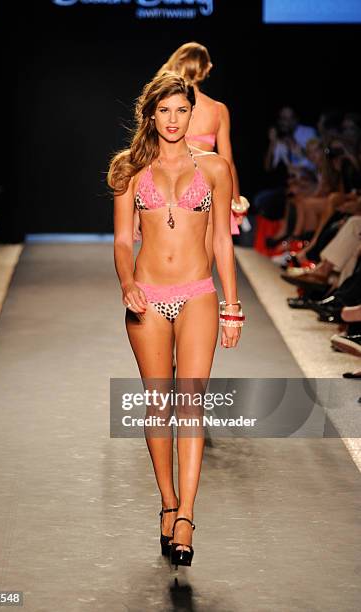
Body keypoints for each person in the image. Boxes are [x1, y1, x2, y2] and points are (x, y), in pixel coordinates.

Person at [108, 72, 243, 568]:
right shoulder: (128, 168)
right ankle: (167, 501)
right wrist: (127, 283)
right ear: (150, 114)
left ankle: (186, 515)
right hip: (146, 296)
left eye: (181, 110)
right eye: (163, 110)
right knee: (157, 405)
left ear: (192, 114)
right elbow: (124, 240)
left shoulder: (215, 169)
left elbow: (223, 242)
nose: (172, 119)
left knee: (190, 403)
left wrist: (233, 305)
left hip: (198, 294)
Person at [134, 42, 246, 264]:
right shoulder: (217, 110)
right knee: (201, 271)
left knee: (165, 265)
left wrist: (138, 208)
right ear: (204, 68)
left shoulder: (164, 105)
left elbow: (147, 152)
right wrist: (235, 203)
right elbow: (227, 161)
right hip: (205, 192)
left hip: (165, 189)